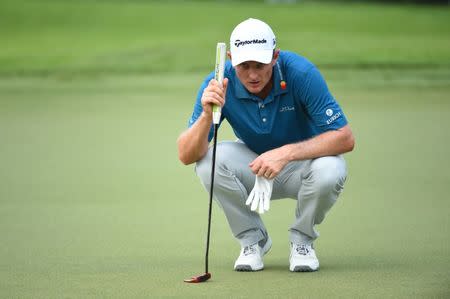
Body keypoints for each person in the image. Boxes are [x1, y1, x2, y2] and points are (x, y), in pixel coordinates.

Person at [177, 18, 355, 272]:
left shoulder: (301, 73)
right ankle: (253, 241)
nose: (252, 74)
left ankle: (302, 242)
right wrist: (207, 115)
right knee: (207, 162)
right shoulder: (218, 82)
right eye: (244, 65)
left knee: (331, 168)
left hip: (302, 168)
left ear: (275, 56)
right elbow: (186, 155)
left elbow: (345, 137)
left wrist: (285, 153)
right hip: (254, 166)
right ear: (230, 58)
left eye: (260, 65)